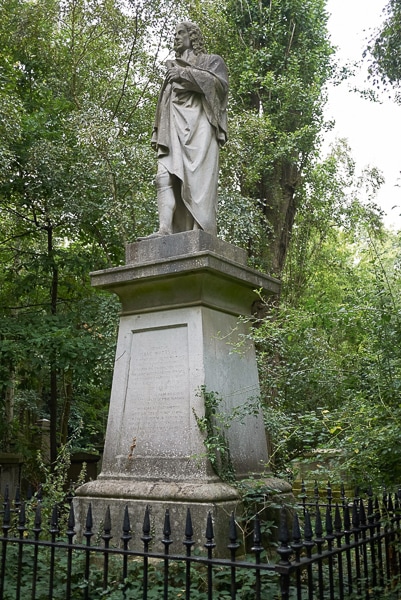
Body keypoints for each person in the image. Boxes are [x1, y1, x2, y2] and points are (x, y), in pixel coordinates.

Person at [142, 21, 228, 239]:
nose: (176, 37)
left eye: (181, 33)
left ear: (193, 36)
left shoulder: (211, 61)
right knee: (163, 176)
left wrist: (184, 74)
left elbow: (219, 87)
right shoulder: (171, 68)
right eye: (174, 34)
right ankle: (165, 229)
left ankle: (200, 230)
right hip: (173, 129)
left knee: (198, 184)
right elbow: (164, 105)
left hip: (200, 129)